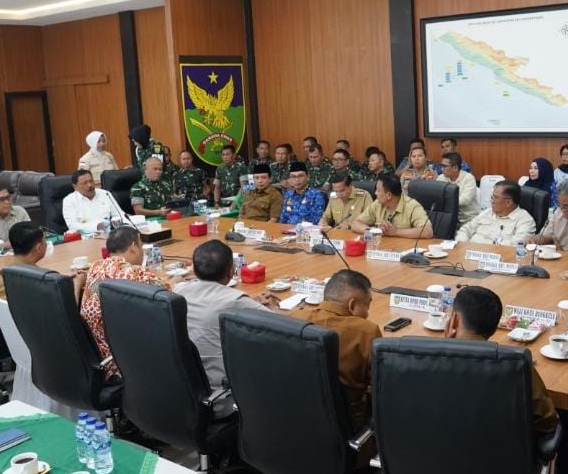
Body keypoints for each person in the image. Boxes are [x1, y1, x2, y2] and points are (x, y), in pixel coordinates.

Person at [174, 240, 278, 417]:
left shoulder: (179, 291)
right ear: (231, 270)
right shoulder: (234, 301)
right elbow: (282, 328)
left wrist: (250, 301)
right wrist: (273, 308)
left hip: (181, 393)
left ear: (194, 268)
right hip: (220, 398)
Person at [445, 286, 558, 436]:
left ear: (454, 320)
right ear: (494, 329)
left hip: (433, 454)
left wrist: (445, 347)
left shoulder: (421, 358)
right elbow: (547, 420)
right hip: (502, 456)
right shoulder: (515, 362)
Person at [291, 269, 381, 431]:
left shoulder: (293, 318)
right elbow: (380, 389)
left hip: (295, 413)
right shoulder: (367, 332)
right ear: (352, 305)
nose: (367, 314)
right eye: (367, 307)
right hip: (347, 426)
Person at [82, 226, 171, 379]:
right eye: (141, 246)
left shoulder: (95, 267)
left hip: (97, 357)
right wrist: (175, 281)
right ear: (133, 247)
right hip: (125, 362)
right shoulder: (137, 272)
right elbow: (167, 298)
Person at [0, 222, 86, 302]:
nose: (46, 243)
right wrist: (77, 284)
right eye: (45, 240)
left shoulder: (7, 269)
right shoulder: (40, 279)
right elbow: (67, 311)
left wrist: (63, 280)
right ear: (38, 248)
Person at [351, 173, 433, 238]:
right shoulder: (377, 204)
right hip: (384, 249)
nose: (375, 193)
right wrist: (373, 230)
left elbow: (427, 231)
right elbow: (355, 224)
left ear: (389, 195)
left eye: (378, 190)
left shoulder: (412, 206)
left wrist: (396, 232)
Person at [455, 181, 536, 244]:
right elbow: (466, 229)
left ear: (508, 202)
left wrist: (481, 245)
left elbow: (517, 245)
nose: (491, 201)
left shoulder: (525, 220)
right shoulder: (488, 212)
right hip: (469, 252)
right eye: (491, 197)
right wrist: (462, 244)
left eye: (495, 198)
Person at [437, 152, 479, 225]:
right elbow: (436, 197)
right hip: (448, 218)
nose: (441, 169)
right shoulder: (441, 178)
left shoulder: (468, 178)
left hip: (468, 219)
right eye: (441, 165)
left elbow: (464, 200)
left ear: (455, 168)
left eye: (444, 166)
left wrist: (445, 202)